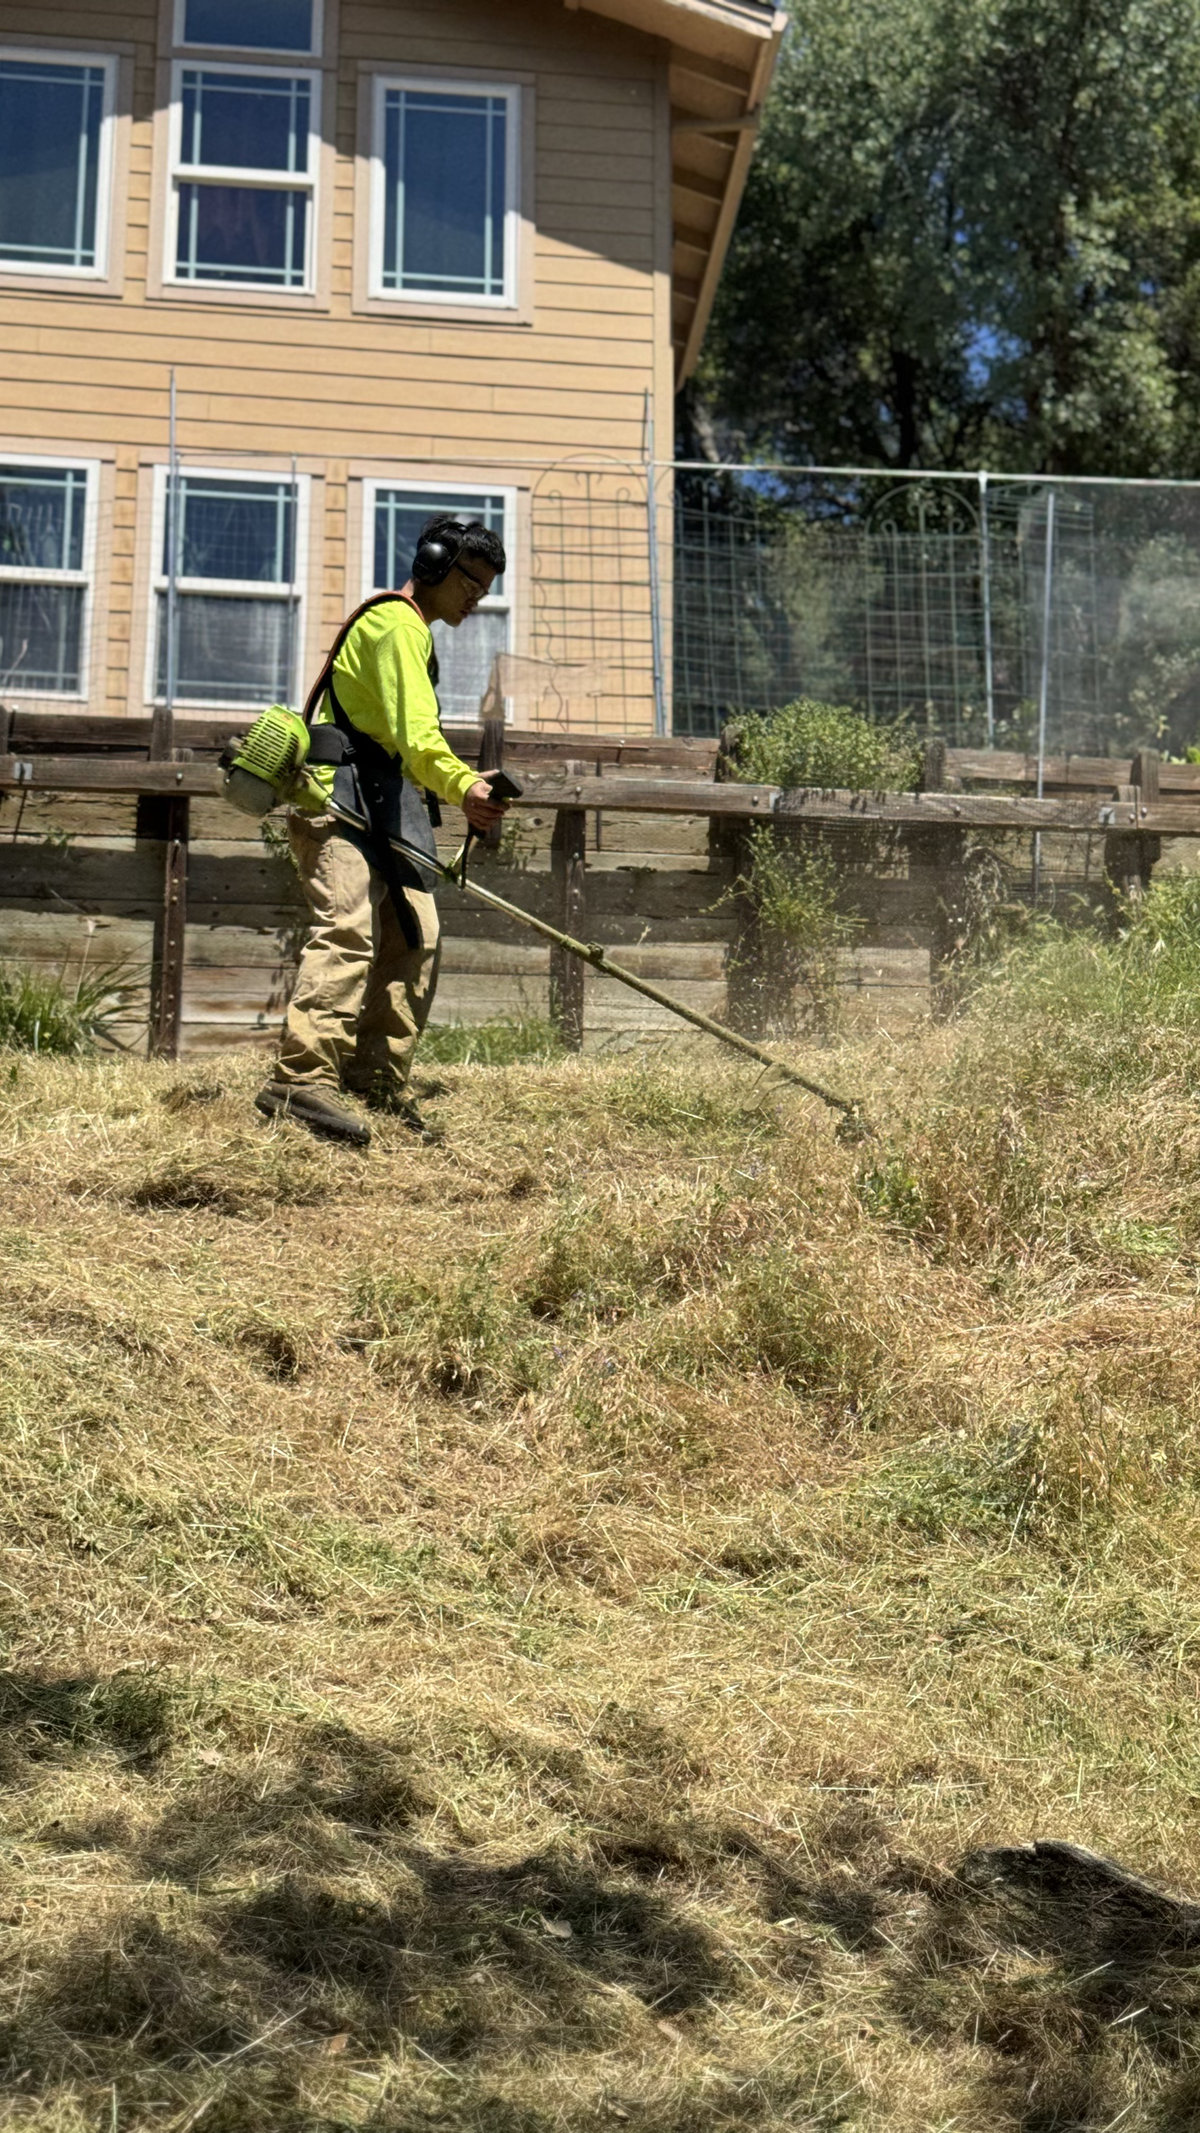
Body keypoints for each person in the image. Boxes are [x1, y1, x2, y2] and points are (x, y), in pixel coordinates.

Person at [254, 514, 508, 1148]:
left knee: (416, 935)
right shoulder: (395, 625)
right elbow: (420, 739)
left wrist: (454, 787)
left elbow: (407, 747)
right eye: (470, 583)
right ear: (434, 564)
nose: (476, 598)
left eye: (485, 588)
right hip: (336, 798)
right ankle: (300, 1081)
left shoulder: (416, 632)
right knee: (347, 931)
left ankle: (375, 1079)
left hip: (383, 802)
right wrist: (468, 785)